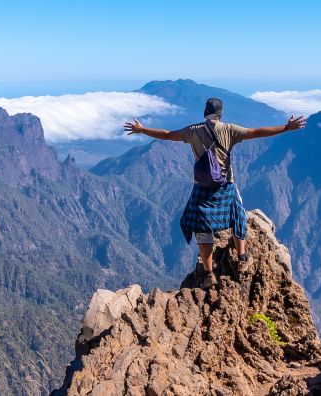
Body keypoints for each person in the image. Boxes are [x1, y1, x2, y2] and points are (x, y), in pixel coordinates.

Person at [123, 98, 306, 288]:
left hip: (202, 188)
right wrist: (286, 127)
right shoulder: (229, 130)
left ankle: (209, 274)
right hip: (226, 185)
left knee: (203, 229)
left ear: (204, 112)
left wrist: (142, 129)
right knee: (238, 216)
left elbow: (167, 135)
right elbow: (258, 132)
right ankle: (242, 258)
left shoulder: (193, 131)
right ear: (221, 113)